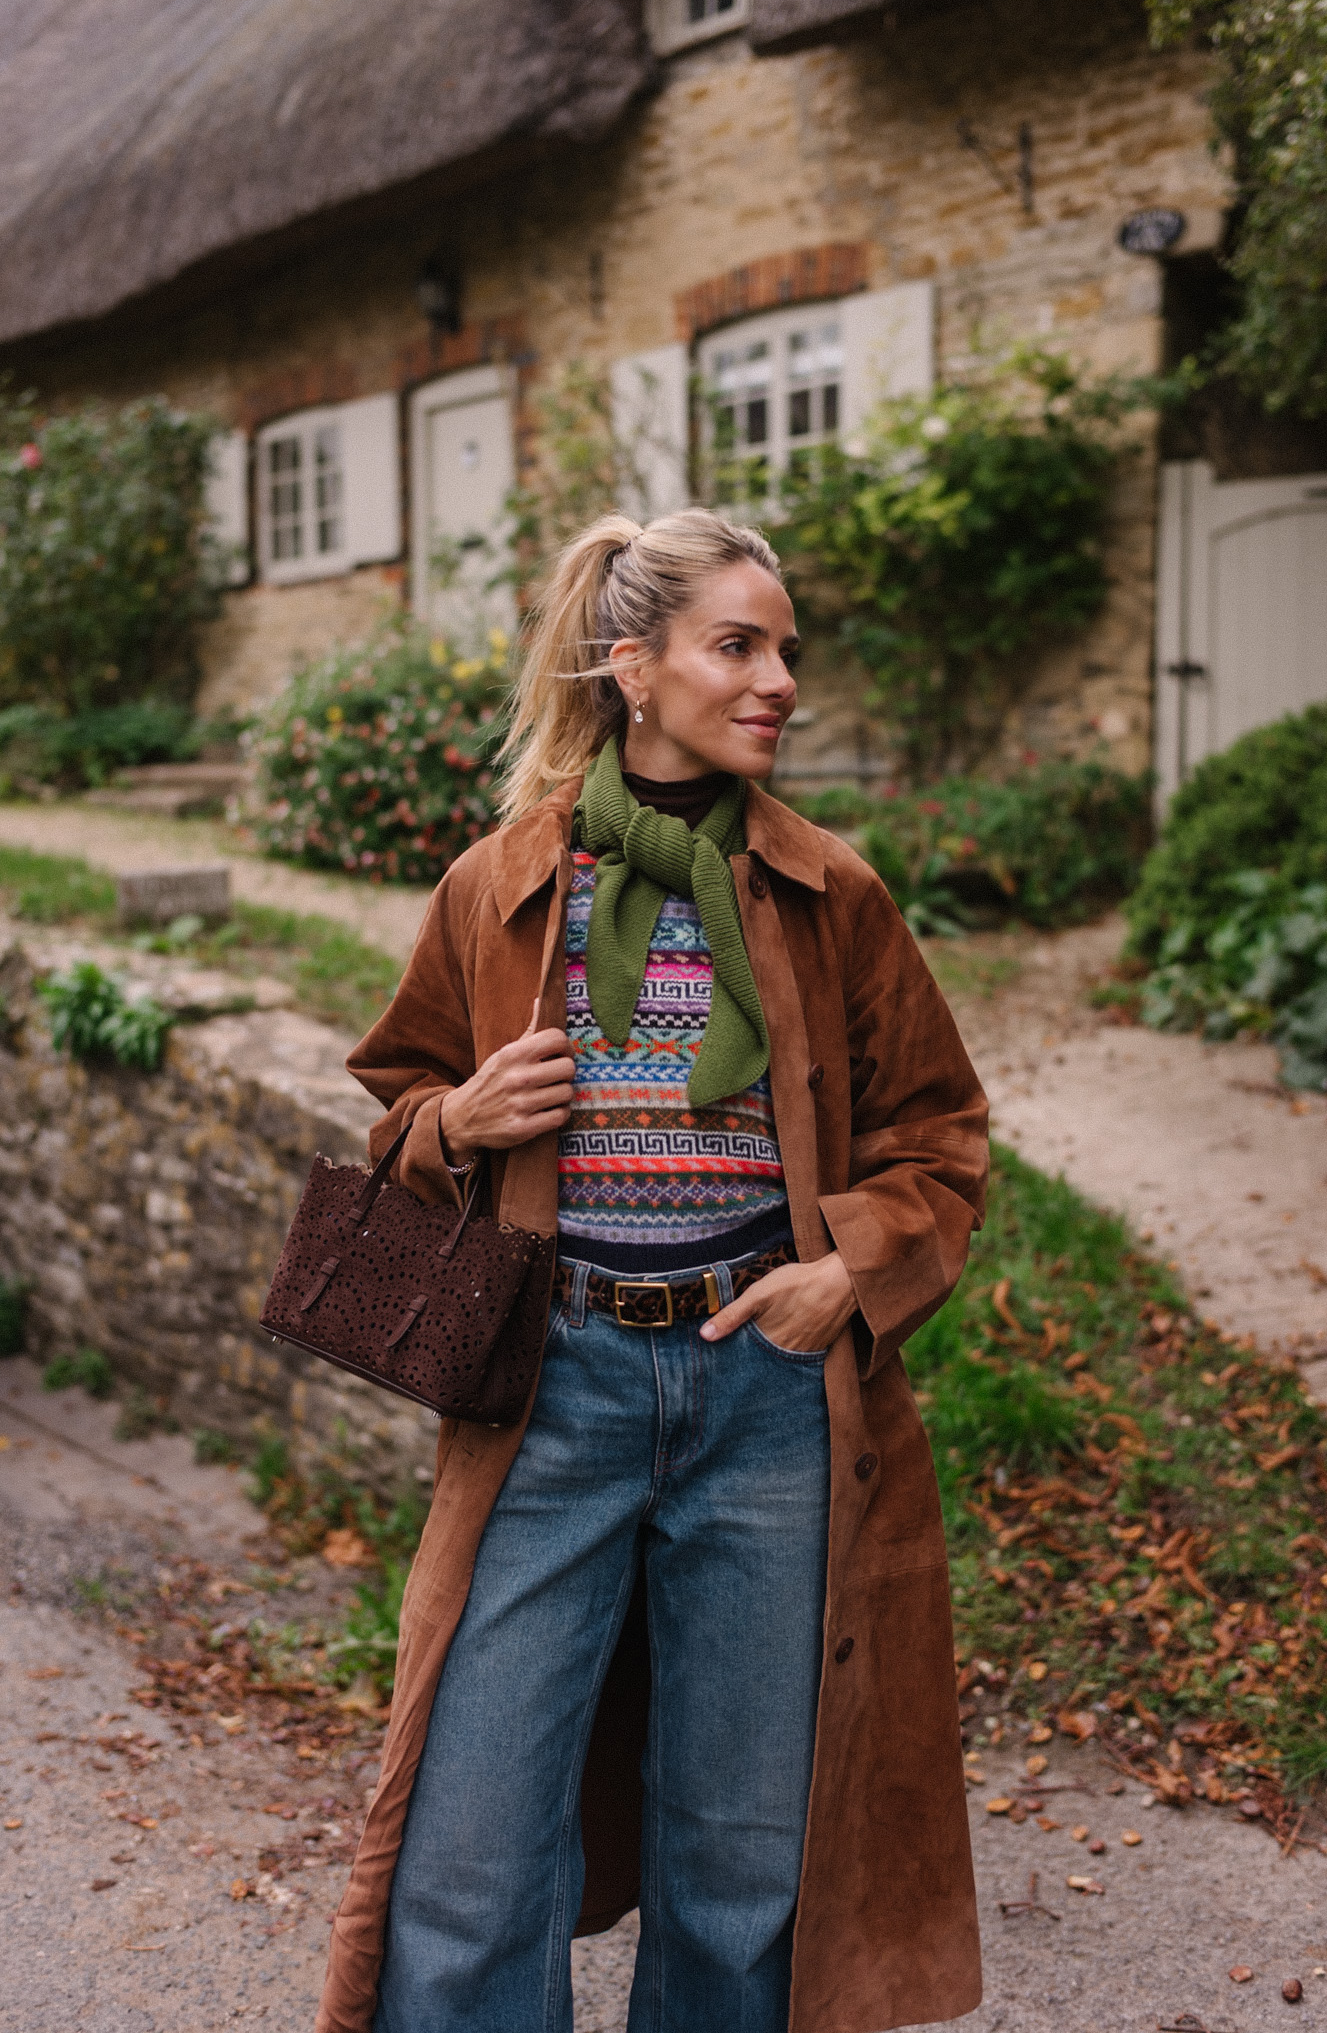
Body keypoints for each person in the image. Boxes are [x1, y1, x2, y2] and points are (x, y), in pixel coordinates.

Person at [316, 507, 988, 2033]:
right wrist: (455, 1120)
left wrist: (848, 1276)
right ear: (633, 667)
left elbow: (938, 1138)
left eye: (787, 650)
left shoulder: (832, 894)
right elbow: (397, 1103)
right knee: (469, 1854)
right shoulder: (501, 886)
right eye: (737, 645)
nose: (779, 681)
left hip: (766, 1396)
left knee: (741, 1866)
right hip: (550, 1395)